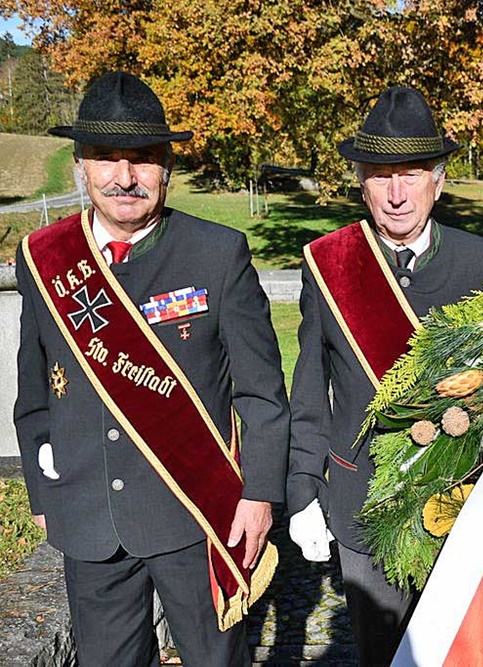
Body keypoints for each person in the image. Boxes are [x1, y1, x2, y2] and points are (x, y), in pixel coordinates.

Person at [14, 71, 290, 666]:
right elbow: (33, 390)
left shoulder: (217, 253)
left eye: (141, 159)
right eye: (105, 158)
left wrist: (261, 495)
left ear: (166, 168)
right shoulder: (43, 258)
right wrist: (42, 491)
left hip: (195, 515)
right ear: (81, 168)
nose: (124, 177)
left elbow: (262, 393)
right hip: (88, 515)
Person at [285, 86, 483, 666]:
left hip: (463, 497)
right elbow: (309, 386)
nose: (395, 194)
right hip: (363, 496)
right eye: (380, 175)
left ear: (438, 181)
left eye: (410, 175)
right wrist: (303, 486)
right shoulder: (328, 263)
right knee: (381, 654)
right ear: (361, 182)